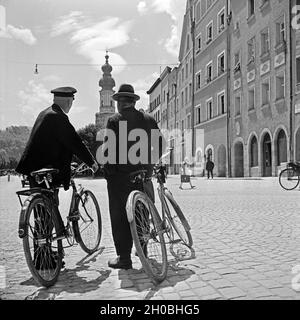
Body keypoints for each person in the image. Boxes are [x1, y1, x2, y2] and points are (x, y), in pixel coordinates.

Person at [16, 86, 98, 268]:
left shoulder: (46, 113)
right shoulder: (58, 117)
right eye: (72, 102)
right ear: (68, 101)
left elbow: (52, 144)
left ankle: (42, 255)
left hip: (35, 169)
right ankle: (43, 259)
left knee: (42, 216)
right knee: (48, 213)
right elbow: (74, 141)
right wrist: (91, 162)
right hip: (45, 171)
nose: (72, 105)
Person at [103, 84, 165, 270]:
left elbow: (109, 151)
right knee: (142, 212)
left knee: (119, 215)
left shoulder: (115, 120)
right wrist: (149, 165)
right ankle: (143, 249)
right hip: (143, 175)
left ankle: (124, 258)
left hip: (122, 178)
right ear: (133, 101)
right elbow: (160, 144)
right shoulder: (148, 119)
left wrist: (109, 174)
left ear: (120, 103)